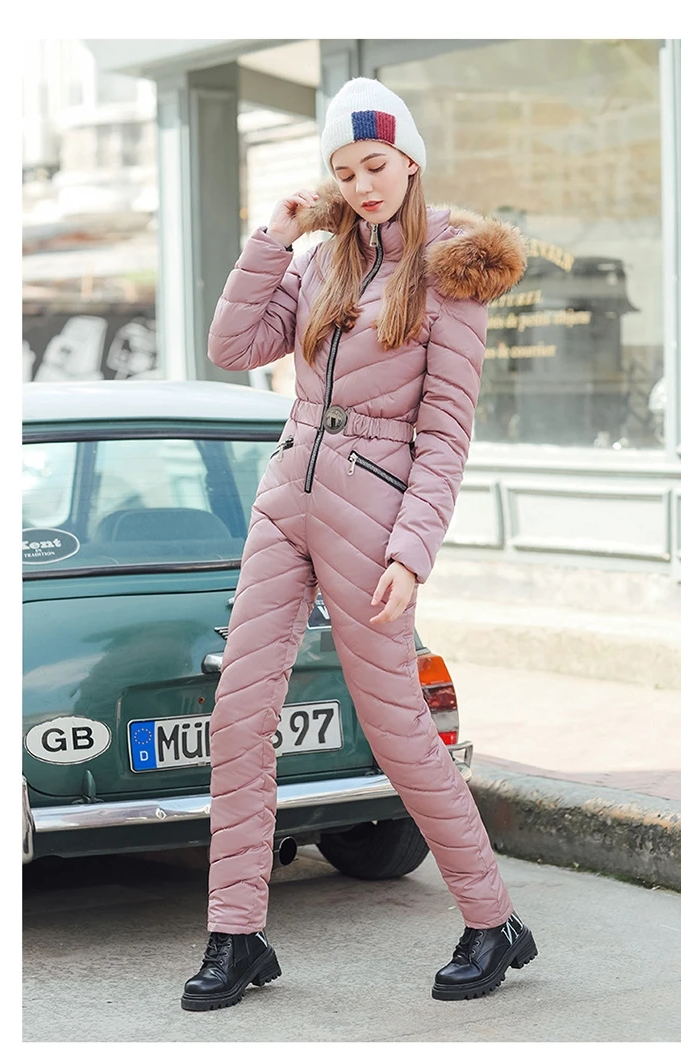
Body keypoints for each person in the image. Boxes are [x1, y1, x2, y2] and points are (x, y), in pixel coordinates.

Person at [181, 77, 536, 1012]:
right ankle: (235, 934)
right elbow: (232, 347)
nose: (362, 185)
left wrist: (413, 550)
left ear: (409, 159)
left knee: (396, 728)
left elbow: (445, 432)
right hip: (285, 500)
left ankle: (493, 920)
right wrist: (272, 238)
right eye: (345, 172)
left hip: (373, 517)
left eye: (375, 165)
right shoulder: (320, 260)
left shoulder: (449, 270)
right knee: (237, 716)